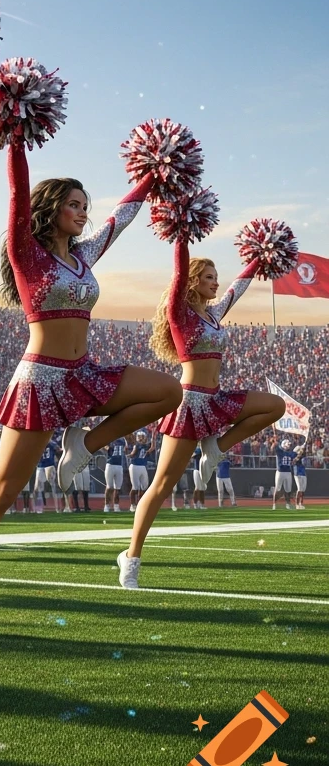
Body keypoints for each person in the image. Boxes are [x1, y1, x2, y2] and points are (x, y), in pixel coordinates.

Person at [0, 148, 181, 637]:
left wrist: (153, 175)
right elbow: (17, 194)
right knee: (1, 494)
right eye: (74, 204)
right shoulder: (27, 254)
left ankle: (84, 444)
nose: (83, 212)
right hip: (41, 379)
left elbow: (120, 219)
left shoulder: (83, 256)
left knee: (167, 392)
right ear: (51, 209)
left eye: (85, 205)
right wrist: (16, 135)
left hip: (83, 373)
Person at [116, 245, 285, 589]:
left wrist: (262, 253)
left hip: (216, 399)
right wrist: (182, 236)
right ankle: (131, 557)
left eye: (216, 278)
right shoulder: (180, 313)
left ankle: (217, 447)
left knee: (275, 406)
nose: (216, 283)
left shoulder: (213, 314)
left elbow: (237, 288)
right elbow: (178, 273)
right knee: (161, 486)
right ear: (193, 282)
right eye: (209, 277)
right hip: (189, 403)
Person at [127, 430, 151, 512]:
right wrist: (129, 455)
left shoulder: (146, 446)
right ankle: (132, 505)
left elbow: (152, 447)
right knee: (135, 487)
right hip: (135, 466)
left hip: (143, 466)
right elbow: (133, 453)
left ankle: (140, 504)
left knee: (144, 486)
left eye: (143, 437)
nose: (143, 439)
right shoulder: (136, 445)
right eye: (141, 437)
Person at [272, 437, 296, 510]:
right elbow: (272, 449)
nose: (289, 445)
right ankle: (274, 504)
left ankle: (288, 504)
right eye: (288, 444)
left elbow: (298, 455)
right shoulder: (280, 451)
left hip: (288, 472)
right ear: (284, 445)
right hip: (280, 472)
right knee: (277, 488)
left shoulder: (291, 453)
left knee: (288, 490)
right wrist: (274, 443)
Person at [104, 436, 126, 513]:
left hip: (119, 465)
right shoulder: (109, 438)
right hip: (110, 464)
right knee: (109, 487)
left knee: (118, 488)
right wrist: (107, 447)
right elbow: (104, 446)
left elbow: (127, 447)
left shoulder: (122, 440)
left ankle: (116, 506)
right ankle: (107, 505)